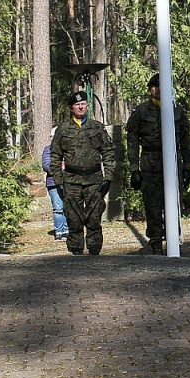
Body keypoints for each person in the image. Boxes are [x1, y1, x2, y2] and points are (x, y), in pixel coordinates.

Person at [126, 73, 190, 256]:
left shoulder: (177, 110)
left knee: (173, 203)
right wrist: (134, 169)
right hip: (150, 164)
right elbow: (132, 141)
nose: (158, 90)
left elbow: (186, 140)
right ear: (150, 89)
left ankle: (174, 240)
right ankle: (156, 243)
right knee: (153, 206)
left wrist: (188, 167)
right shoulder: (140, 112)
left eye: (161, 86)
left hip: (173, 162)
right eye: (155, 87)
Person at [50, 90, 115, 256]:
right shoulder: (63, 130)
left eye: (83, 104)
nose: (81, 107)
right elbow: (55, 156)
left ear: (87, 105)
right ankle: (76, 250)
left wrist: (108, 177)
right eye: (77, 104)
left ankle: (94, 250)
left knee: (94, 217)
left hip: (94, 179)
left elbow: (108, 152)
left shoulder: (97, 127)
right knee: (74, 218)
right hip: (71, 180)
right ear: (72, 108)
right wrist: (58, 181)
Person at [42, 127, 69, 241]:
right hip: (53, 183)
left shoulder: (69, 150)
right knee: (58, 208)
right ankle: (59, 231)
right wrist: (61, 167)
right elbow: (46, 166)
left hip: (69, 181)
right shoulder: (48, 150)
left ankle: (67, 230)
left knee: (68, 207)